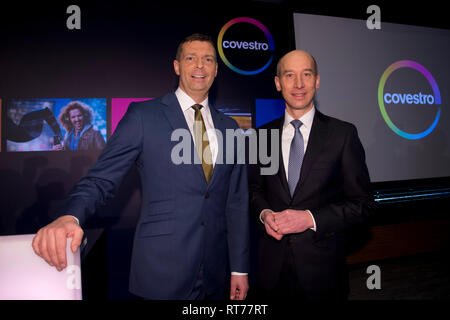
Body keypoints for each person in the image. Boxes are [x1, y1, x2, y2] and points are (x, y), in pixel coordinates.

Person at [32, 34, 250, 300]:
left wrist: (240, 269)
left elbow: (236, 203)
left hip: (215, 274)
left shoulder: (230, 128)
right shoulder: (143, 116)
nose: (200, 66)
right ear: (177, 66)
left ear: (216, 69)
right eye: (190, 58)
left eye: (208, 60)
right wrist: (70, 215)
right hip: (161, 272)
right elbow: (100, 179)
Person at [249, 50, 376, 300]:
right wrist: (264, 214)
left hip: (324, 275)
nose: (298, 84)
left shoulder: (343, 135)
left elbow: (364, 205)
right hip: (269, 274)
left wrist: (310, 218)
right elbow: (253, 191)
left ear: (316, 81)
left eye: (306, 74)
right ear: (278, 83)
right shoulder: (261, 136)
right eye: (290, 75)